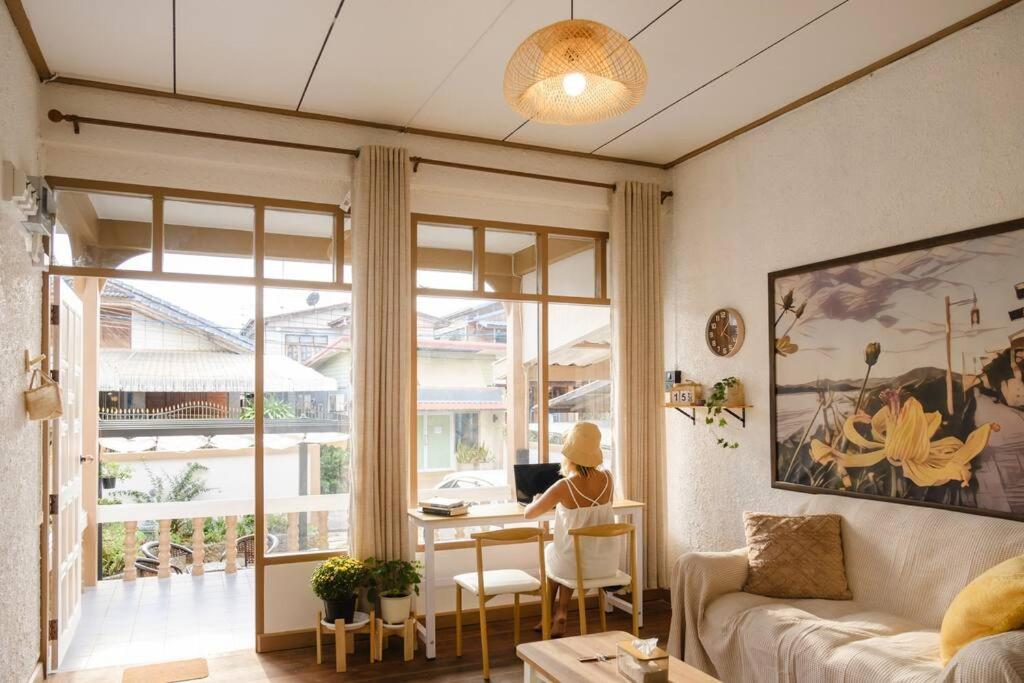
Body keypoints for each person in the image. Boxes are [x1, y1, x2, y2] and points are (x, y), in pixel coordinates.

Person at [524, 421, 619, 636]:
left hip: (576, 565)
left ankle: (549, 615)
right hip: (606, 563)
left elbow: (529, 514)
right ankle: (560, 612)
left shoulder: (564, 486)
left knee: (554, 554)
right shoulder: (609, 479)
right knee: (569, 553)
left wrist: (538, 499)